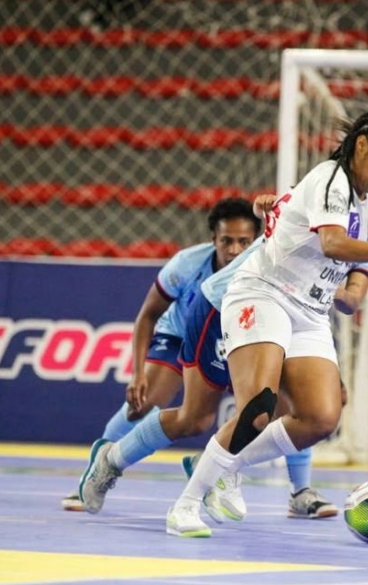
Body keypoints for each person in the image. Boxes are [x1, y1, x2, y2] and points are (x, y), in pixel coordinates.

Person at [77, 173, 368, 524]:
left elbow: (350, 299)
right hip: (226, 304)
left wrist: (325, 292)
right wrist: (268, 207)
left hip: (279, 316)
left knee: (306, 408)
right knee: (201, 417)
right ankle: (113, 459)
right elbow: (278, 209)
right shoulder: (329, 210)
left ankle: (248, 474)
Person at [164, 107, 368, 537]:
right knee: (257, 408)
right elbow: (331, 242)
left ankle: (226, 466)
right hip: (265, 293)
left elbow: (294, 214)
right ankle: (185, 508)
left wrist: (273, 208)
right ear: (362, 144)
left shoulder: (360, 198)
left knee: (320, 417)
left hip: (309, 312)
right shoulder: (333, 177)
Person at [62, 197, 259, 511]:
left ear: (255, 242)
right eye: (226, 241)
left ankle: (300, 492)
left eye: (243, 242)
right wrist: (137, 373)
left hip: (230, 340)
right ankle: (96, 472)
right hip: (179, 335)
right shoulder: (186, 264)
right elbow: (148, 315)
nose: (234, 249)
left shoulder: (262, 267)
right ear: (214, 240)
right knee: (143, 404)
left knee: (270, 407)